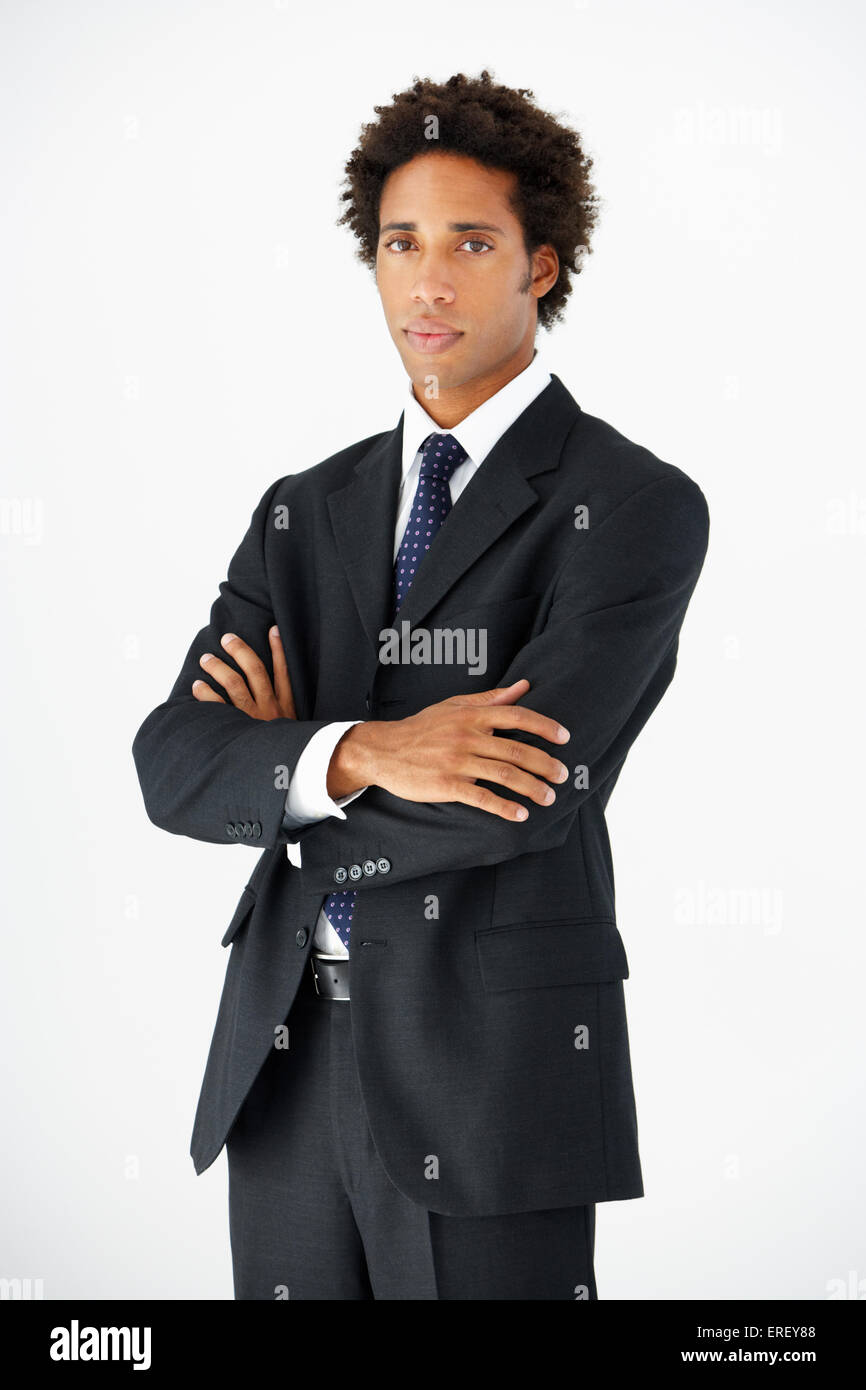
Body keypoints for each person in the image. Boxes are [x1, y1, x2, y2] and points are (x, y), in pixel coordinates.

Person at [132, 69, 709, 1300]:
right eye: (401, 243)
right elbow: (171, 760)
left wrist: (282, 777)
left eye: (471, 243)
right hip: (282, 1052)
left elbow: (520, 792)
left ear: (539, 267)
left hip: (490, 1068)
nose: (428, 281)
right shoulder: (304, 510)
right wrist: (360, 751)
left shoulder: (631, 507)